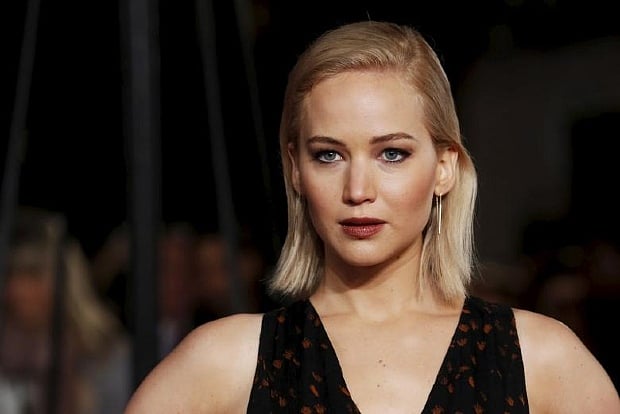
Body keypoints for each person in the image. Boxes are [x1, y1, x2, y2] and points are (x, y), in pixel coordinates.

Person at [124, 20, 620, 413]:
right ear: (295, 169)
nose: (358, 190)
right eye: (328, 155)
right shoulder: (225, 363)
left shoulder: (543, 362)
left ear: (444, 167)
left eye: (392, 154)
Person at [0, 206, 132, 414]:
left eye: (32, 274)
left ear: (64, 283)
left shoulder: (104, 355)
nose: (16, 289)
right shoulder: (7, 347)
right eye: (10, 274)